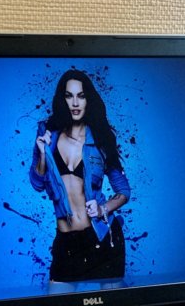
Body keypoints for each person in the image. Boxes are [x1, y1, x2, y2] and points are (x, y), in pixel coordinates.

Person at [29, 69, 131, 284]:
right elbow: (37, 184)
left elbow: (123, 191)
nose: (75, 103)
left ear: (88, 100)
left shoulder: (101, 140)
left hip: (102, 238)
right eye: (69, 96)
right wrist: (42, 153)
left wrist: (103, 209)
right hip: (66, 242)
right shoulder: (48, 134)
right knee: (57, 304)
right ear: (62, 99)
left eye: (81, 96)